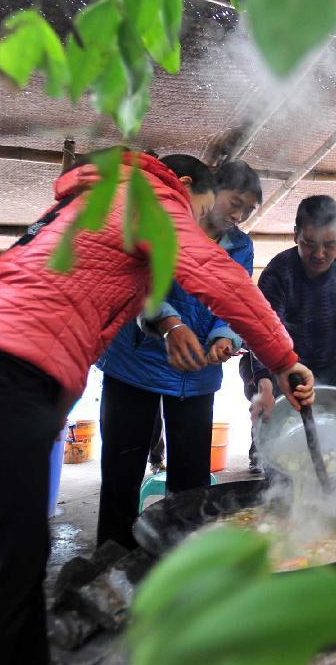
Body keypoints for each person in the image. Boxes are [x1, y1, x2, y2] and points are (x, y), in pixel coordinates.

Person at [0, 150, 314, 665]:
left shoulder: (102, 201)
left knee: (13, 566)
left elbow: (126, 298)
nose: (203, 222)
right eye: (206, 207)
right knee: (0, 579)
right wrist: (283, 360)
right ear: (186, 185)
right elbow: (215, 276)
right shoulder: (152, 196)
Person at [95, 157, 262, 550]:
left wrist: (225, 337)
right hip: (135, 365)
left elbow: (234, 301)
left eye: (248, 211)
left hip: (198, 375)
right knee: (123, 469)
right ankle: (111, 560)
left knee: (191, 480)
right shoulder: (164, 223)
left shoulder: (241, 246)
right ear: (210, 190)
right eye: (234, 203)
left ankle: (183, 560)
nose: (238, 216)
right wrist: (171, 324)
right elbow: (138, 287)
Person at [248, 195, 336, 425]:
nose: (319, 254)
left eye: (330, 245)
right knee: (279, 433)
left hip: (335, 366)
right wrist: (264, 382)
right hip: (285, 368)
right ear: (295, 234)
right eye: (309, 243)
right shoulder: (278, 272)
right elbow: (263, 331)